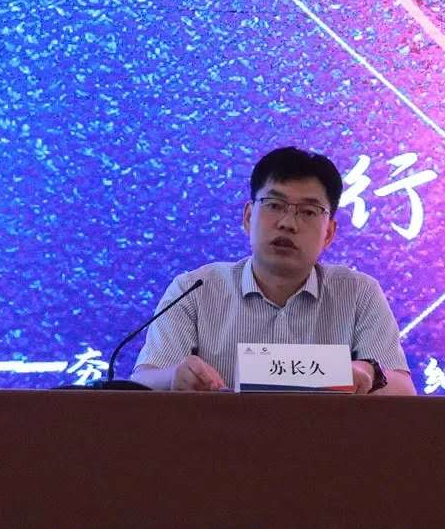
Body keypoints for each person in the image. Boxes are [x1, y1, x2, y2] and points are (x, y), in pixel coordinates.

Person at [131, 146, 416, 395]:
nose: (288, 223)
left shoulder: (359, 293)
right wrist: (174, 377)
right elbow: (142, 382)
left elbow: (402, 389)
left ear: (328, 233)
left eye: (308, 211)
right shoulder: (194, 290)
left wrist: (367, 375)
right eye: (274, 205)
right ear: (248, 217)